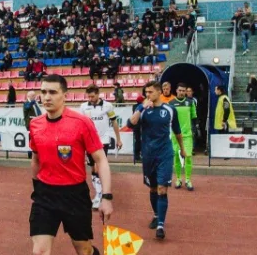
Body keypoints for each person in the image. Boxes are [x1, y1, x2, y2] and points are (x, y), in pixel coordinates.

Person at [21, 74, 113, 255]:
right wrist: (36, 187)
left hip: (74, 195)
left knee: (83, 250)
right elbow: (35, 159)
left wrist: (106, 196)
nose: (46, 97)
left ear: (65, 95)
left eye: (52, 92)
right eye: (43, 92)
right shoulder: (35, 124)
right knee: (39, 254)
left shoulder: (81, 123)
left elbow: (100, 160)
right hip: (45, 196)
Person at [129, 81, 185, 240]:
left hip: (165, 154)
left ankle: (161, 225)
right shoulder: (142, 109)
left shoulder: (170, 109)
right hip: (148, 155)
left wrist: (182, 149)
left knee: (162, 189)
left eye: (150, 92)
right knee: (153, 189)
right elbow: (130, 124)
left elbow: (177, 131)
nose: (148, 95)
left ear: (159, 92)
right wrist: (141, 108)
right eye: (146, 92)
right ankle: (156, 214)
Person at [80, 84, 122, 208]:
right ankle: (98, 191)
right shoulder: (83, 106)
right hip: (88, 141)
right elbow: (81, 124)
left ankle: (99, 195)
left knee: (99, 167)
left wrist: (118, 139)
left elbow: (114, 122)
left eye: (92, 96)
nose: (90, 99)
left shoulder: (108, 106)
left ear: (98, 94)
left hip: (102, 141)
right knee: (93, 168)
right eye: (88, 96)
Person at [173, 84, 197, 190]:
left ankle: (188, 180)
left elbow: (194, 117)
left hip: (187, 135)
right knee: (176, 157)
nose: (182, 92)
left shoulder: (190, 102)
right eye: (180, 90)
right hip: (174, 135)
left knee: (188, 157)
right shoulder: (171, 103)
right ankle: (178, 179)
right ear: (176, 91)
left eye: (183, 90)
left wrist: (194, 130)